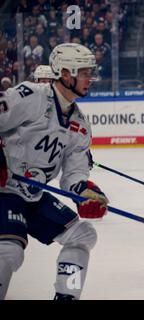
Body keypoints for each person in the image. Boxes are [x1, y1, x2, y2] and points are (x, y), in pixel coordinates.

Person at [0, 43, 109, 300]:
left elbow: (74, 174)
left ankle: (66, 297)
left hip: (34, 195)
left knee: (83, 235)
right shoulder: (32, 96)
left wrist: (85, 192)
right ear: (66, 73)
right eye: (84, 73)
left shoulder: (80, 125)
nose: (89, 79)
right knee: (10, 251)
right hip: (5, 191)